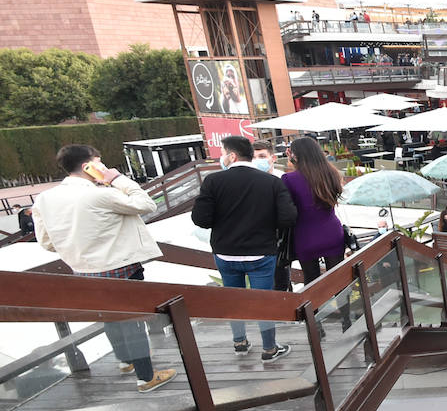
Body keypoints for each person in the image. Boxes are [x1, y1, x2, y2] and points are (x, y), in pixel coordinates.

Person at [33, 144, 177, 393]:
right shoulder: (100, 194)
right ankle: (146, 377)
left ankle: (125, 361)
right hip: (119, 266)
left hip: (83, 270)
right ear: (89, 165)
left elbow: (46, 242)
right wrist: (117, 178)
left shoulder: (45, 198)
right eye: (99, 162)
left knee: (109, 316)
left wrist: (78, 247)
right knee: (133, 319)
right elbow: (146, 204)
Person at [190, 135, 297, 362]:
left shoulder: (213, 181)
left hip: (226, 253)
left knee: (233, 298)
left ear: (232, 155)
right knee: (263, 300)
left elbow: (201, 219)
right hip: (261, 251)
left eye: (223, 153)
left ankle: (239, 341)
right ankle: (269, 348)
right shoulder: (271, 182)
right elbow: (288, 217)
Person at [282, 136, 347, 285]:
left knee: (311, 281)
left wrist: (292, 161)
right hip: (332, 232)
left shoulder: (288, 179)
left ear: (295, 155)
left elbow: (289, 209)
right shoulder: (332, 173)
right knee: (339, 281)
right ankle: (344, 308)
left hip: (305, 235)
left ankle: (315, 309)